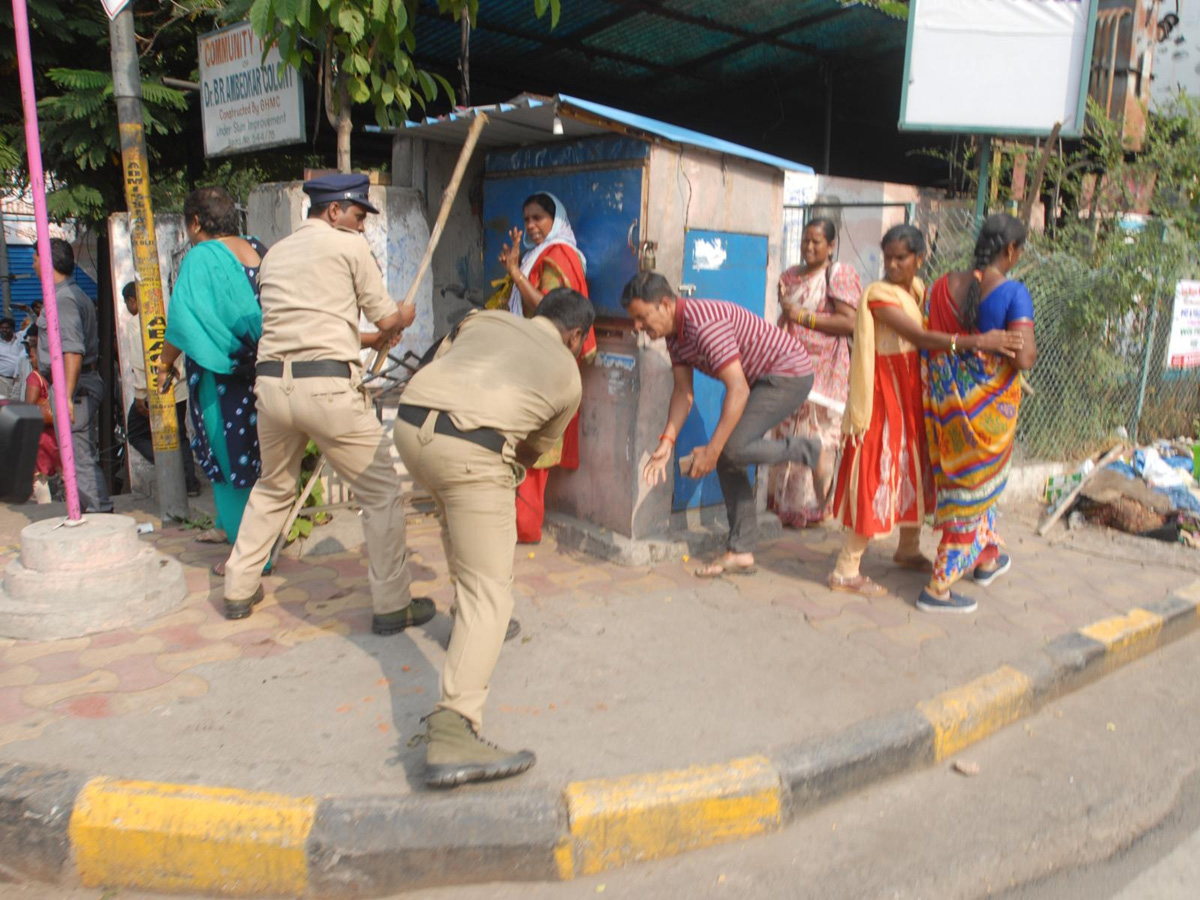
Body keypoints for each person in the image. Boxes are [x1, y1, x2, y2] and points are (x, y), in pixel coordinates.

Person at [395, 288, 592, 787]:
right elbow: (533, 450)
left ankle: (464, 618)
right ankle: (453, 727)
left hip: (409, 426)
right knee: (492, 594)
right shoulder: (569, 373)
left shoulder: (484, 319)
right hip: (471, 449)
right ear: (575, 336)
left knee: (452, 516)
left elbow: (442, 358)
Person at [218, 174, 431, 633]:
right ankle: (393, 604)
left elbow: (312, 321)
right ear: (333, 212)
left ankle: (237, 586)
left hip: (273, 389)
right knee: (380, 493)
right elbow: (385, 315)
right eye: (357, 217)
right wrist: (402, 317)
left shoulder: (275, 254)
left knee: (273, 488)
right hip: (329, 391)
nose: (362, 228)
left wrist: (379, 332)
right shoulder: (349, 248)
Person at [828, 224, 1022, 605]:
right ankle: (845, 569)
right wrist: (978, 342)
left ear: (920, 258)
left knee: (913, 470)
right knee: (878, 475)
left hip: (912, 393)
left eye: (901, 258)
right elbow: (919, 338)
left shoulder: (917, 292)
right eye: (888, 258)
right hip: (884, 397)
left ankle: (907, 548)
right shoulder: (878, 296)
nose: (893, 265)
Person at [622, 271, 830, 577]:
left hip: (788, 373)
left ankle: (810, 451)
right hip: (758, 378)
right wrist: (667, 442)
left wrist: (712, 450)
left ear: (665, 304)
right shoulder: (674, 335)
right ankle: (741, 551)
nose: (637, 327)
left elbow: (738, 389)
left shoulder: (702, 324)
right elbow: (683, 391)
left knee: (728, 449)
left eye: (641, 318)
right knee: (726, 455)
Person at [920, 214, 1038, 613]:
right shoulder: (1013, 293)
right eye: (1020, 250)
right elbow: (1023, 357)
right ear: (1010, 251)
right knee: (972, 491)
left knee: (971, 486)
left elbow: (929, 342)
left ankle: (986, 558)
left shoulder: (939, 287)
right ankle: (938, 587)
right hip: (987, 417)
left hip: (946, 409)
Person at [159, 187, 268, 547]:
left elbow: (181, 322)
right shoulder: (256, 248)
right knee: (252, 454)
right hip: (262, 371)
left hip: (221, 378)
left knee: (230, 461)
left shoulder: (201, 257)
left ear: (194, 223)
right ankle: (225, 526)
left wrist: (164, 364)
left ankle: (250, 559)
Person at [493, 191, 597, 543]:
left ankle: (525, 529)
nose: (532, 226)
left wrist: (516, 275)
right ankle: (519, 525)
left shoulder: (559, 257)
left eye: (539, 218)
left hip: (547, 366)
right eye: (527, 220)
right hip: (532, 360)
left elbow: (552, 313)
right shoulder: (540, 255)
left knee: (531, 447)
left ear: (556, 220)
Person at [769, 218, 862, 527]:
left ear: (831, 246)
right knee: (786, 436)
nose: (809, 247)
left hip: (823, 374)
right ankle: (785, 506)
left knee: (817, 441)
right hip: (789, 368)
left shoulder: (839, 275)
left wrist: (804, 317)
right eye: (805, 241)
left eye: (817, 242)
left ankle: (816, 507)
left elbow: (849, 323)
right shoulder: (791, 276)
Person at [35, 238, 113, 513]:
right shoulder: (71, 294)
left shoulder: (64, 299)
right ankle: (90, 513)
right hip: (77, 385)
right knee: (76, 457)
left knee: (79, 458)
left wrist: (66, 395)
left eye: (35, 258)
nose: (33, 264)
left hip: (76, 388)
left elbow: (72, 351)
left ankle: (99, 514)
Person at [122, 282, 201, 497]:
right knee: (179, 433)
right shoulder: (168, 316)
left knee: (137, 432)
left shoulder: (137, 323)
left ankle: (172, 469)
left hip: (156, 388)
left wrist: (140, 395)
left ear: (132, 301)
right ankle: (190, 482)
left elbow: (139, 361)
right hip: (179, 384)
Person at [21, 325, 60, 503]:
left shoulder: (34, 378)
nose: (30, 359)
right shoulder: (52, 376)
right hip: (55, 433)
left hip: (41, 436)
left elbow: (29, 408)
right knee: (62, 471)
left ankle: (46, 510)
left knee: (40, 476)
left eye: (32, 355)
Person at [0, 317, 22, 398]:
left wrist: (28, 311)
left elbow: (34, 324)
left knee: (16, 405)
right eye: (2, 328)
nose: (4, 330)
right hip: (3, 380)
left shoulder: (20, 338)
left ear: (12, 328)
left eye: (7, 328)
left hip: (19, 380)